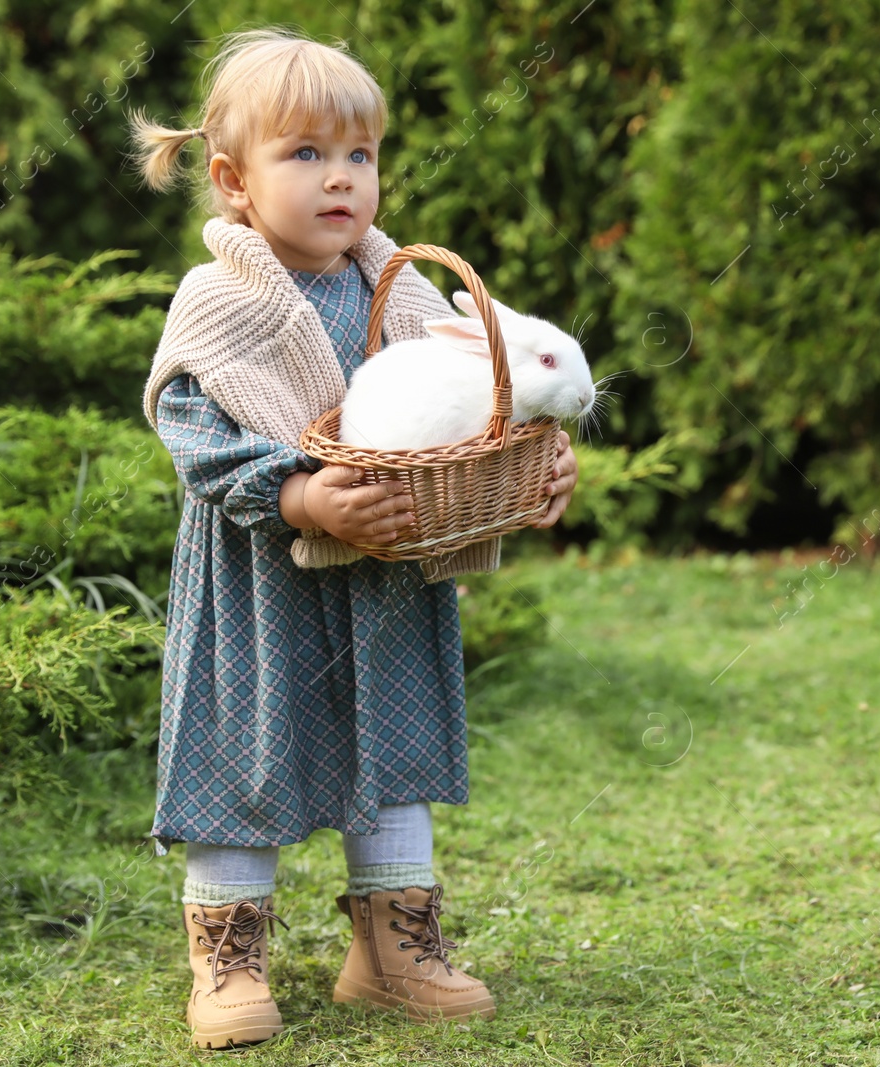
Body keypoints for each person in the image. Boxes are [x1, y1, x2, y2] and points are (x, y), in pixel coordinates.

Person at [126, 27, 579, 1050]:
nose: (342, 179)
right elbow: (191, 430)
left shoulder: (401, 292)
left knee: (394, 740)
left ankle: (393, 945)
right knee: (246, 749)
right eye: (306, 155)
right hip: (261, 576)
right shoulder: (221, 299)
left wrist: (536, 462)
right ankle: (228, 953)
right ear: (234, 180)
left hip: (385, 576)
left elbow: (484, 406)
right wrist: (296, 496)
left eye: (359, 155)